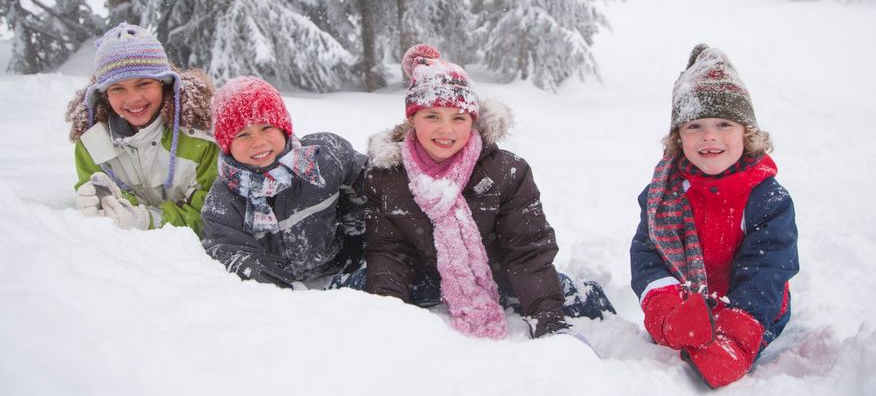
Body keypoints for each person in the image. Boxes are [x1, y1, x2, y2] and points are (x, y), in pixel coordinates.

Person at [354, 44, 614, 340]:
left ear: (473, 121)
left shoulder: (506, 173)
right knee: (354, 290)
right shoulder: (387, 176)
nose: (446, 130)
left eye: (458, 118)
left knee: (581, 300)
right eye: (432, 116)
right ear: (412, 119)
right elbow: (390, 252)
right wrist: (386, 316)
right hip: (423, 278)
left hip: (499, 278)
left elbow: (528, 253)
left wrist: (547, 319)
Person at [630, 44, 799, 388]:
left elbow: (768, 269)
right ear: (678, 137)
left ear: (746, 134)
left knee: (721, 358)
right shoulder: (663, 194)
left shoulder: (767, 198)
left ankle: (735, 339)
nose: (709, 136)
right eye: (694, 126)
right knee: (676, 342)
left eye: (724, 124)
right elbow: (648, 257)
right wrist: (667, 312)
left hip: (753, 308)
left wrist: (737, 329)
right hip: (686, 304)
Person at [200, 76, 367, 288]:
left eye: (266, 128)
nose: (258, 142)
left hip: (342, 269)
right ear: (226, 145)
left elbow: (369, 186)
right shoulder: (223, 200)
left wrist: (358, 242)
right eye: (243, 135)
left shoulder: (323, 157)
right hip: (283, 293)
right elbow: (227, 249)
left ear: (284, 128)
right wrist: (260, 278)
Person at [66, 23, 219, 236]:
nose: (133, 99)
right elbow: (105, 208)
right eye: (118, 88)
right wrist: (99, 203)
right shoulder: (93, 146)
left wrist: (148, 219)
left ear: (164, 84)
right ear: (104, 94)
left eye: (144, 83)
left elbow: (215, 216)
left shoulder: (201, 138)